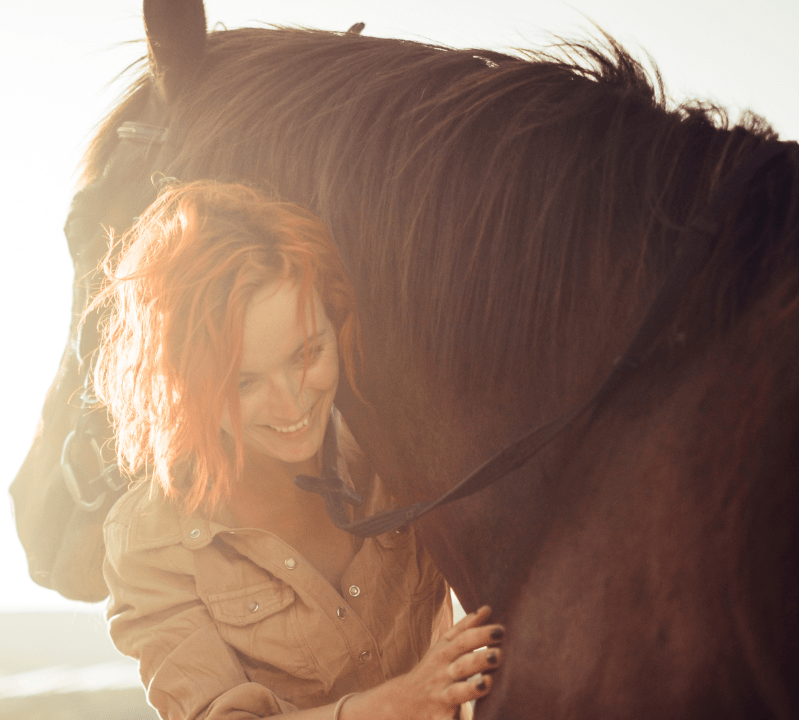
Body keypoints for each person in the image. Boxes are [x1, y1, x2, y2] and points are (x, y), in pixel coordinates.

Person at [90, 181, 503, 720]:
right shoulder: (149, 543)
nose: (291, 405)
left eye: (307, 354)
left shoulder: (397, 446)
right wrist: (397, 703)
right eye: (243, 383)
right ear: (183, 385)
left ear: (337, 321)